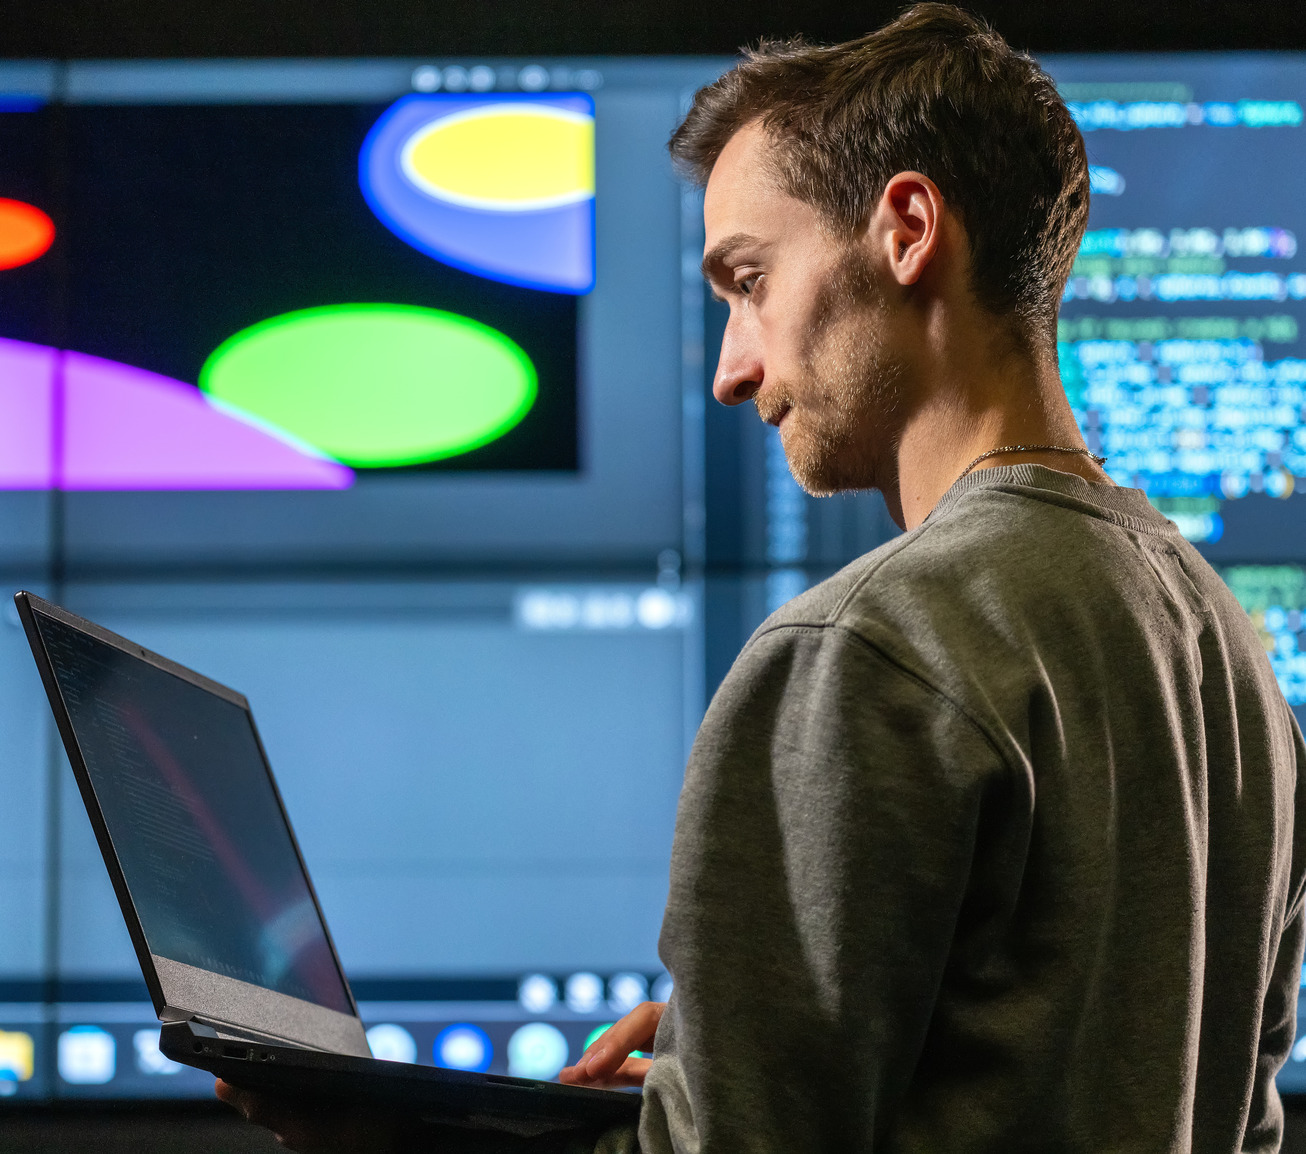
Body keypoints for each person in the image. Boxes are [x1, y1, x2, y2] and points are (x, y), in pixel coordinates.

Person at [222, 4, 1306, 1150]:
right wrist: (738, 1045)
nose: (733, 370)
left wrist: (389, 1137)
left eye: (748, 279)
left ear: (906, 228)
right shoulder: (1228, 652)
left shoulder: (869, 646)